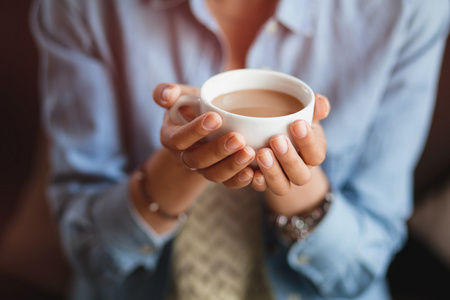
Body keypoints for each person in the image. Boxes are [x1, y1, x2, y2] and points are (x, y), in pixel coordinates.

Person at [30, 0, 449, 299]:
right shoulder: (81, 9)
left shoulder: (408, 11)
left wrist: (299, 183)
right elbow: (91, 254)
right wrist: (183, 162)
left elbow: (360, 269)